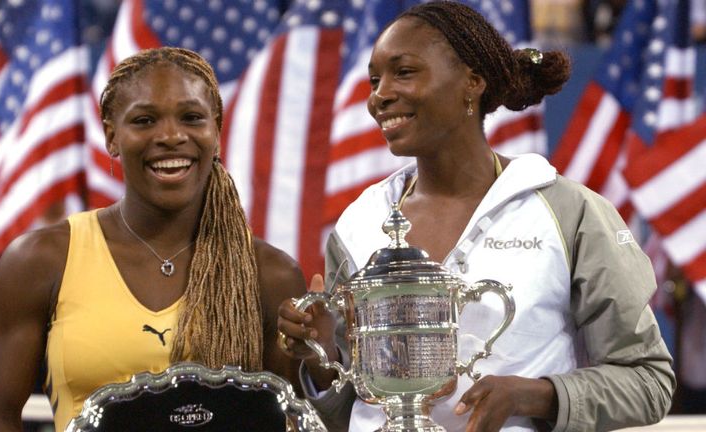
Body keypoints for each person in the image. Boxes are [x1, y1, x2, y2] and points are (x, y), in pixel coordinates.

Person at [277, 2, 675, 431]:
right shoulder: (358, 225)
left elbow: (647, 381)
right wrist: (322, 357)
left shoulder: (569, 213)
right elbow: (351, 403)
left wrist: (534, 394)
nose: (379, 95)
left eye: (404, 72)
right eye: (375, 79)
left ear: (472, 82)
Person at [0, 47, 308, 432]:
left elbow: (291, 419)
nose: (170, 136)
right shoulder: (41, 260)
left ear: (216, 132)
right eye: (145, 120)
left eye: (192, 118)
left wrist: (317, 356)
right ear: (112, 137)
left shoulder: (271, 272)